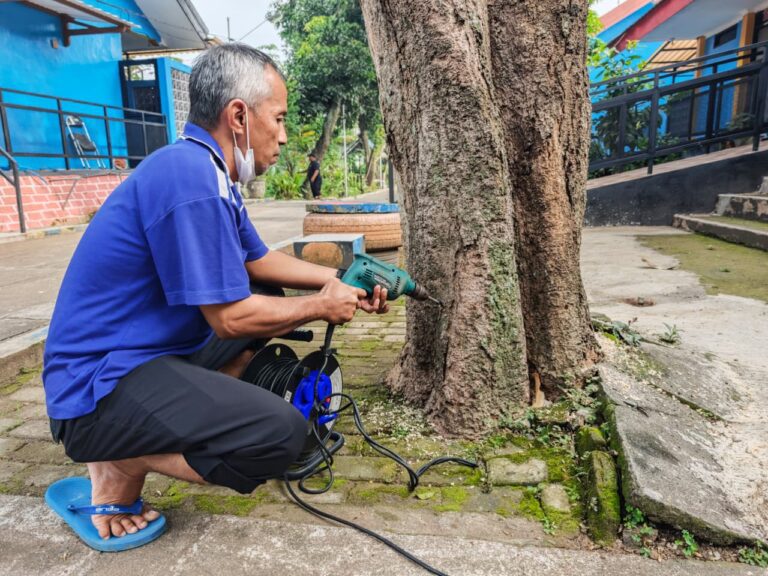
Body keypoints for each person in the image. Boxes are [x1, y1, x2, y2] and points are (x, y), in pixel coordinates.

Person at [42, 43, 388, 543]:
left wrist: (344, 280)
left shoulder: (208, 172)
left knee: (267, 285)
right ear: (240, 116)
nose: (285, 136)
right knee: (281, 435)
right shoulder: (191, 178)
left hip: (143, 356)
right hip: (95, 393)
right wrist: (320, 306)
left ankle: (188, 407)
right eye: (280, 119)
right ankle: (122, 455)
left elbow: (260, 260)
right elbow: (230, 319)